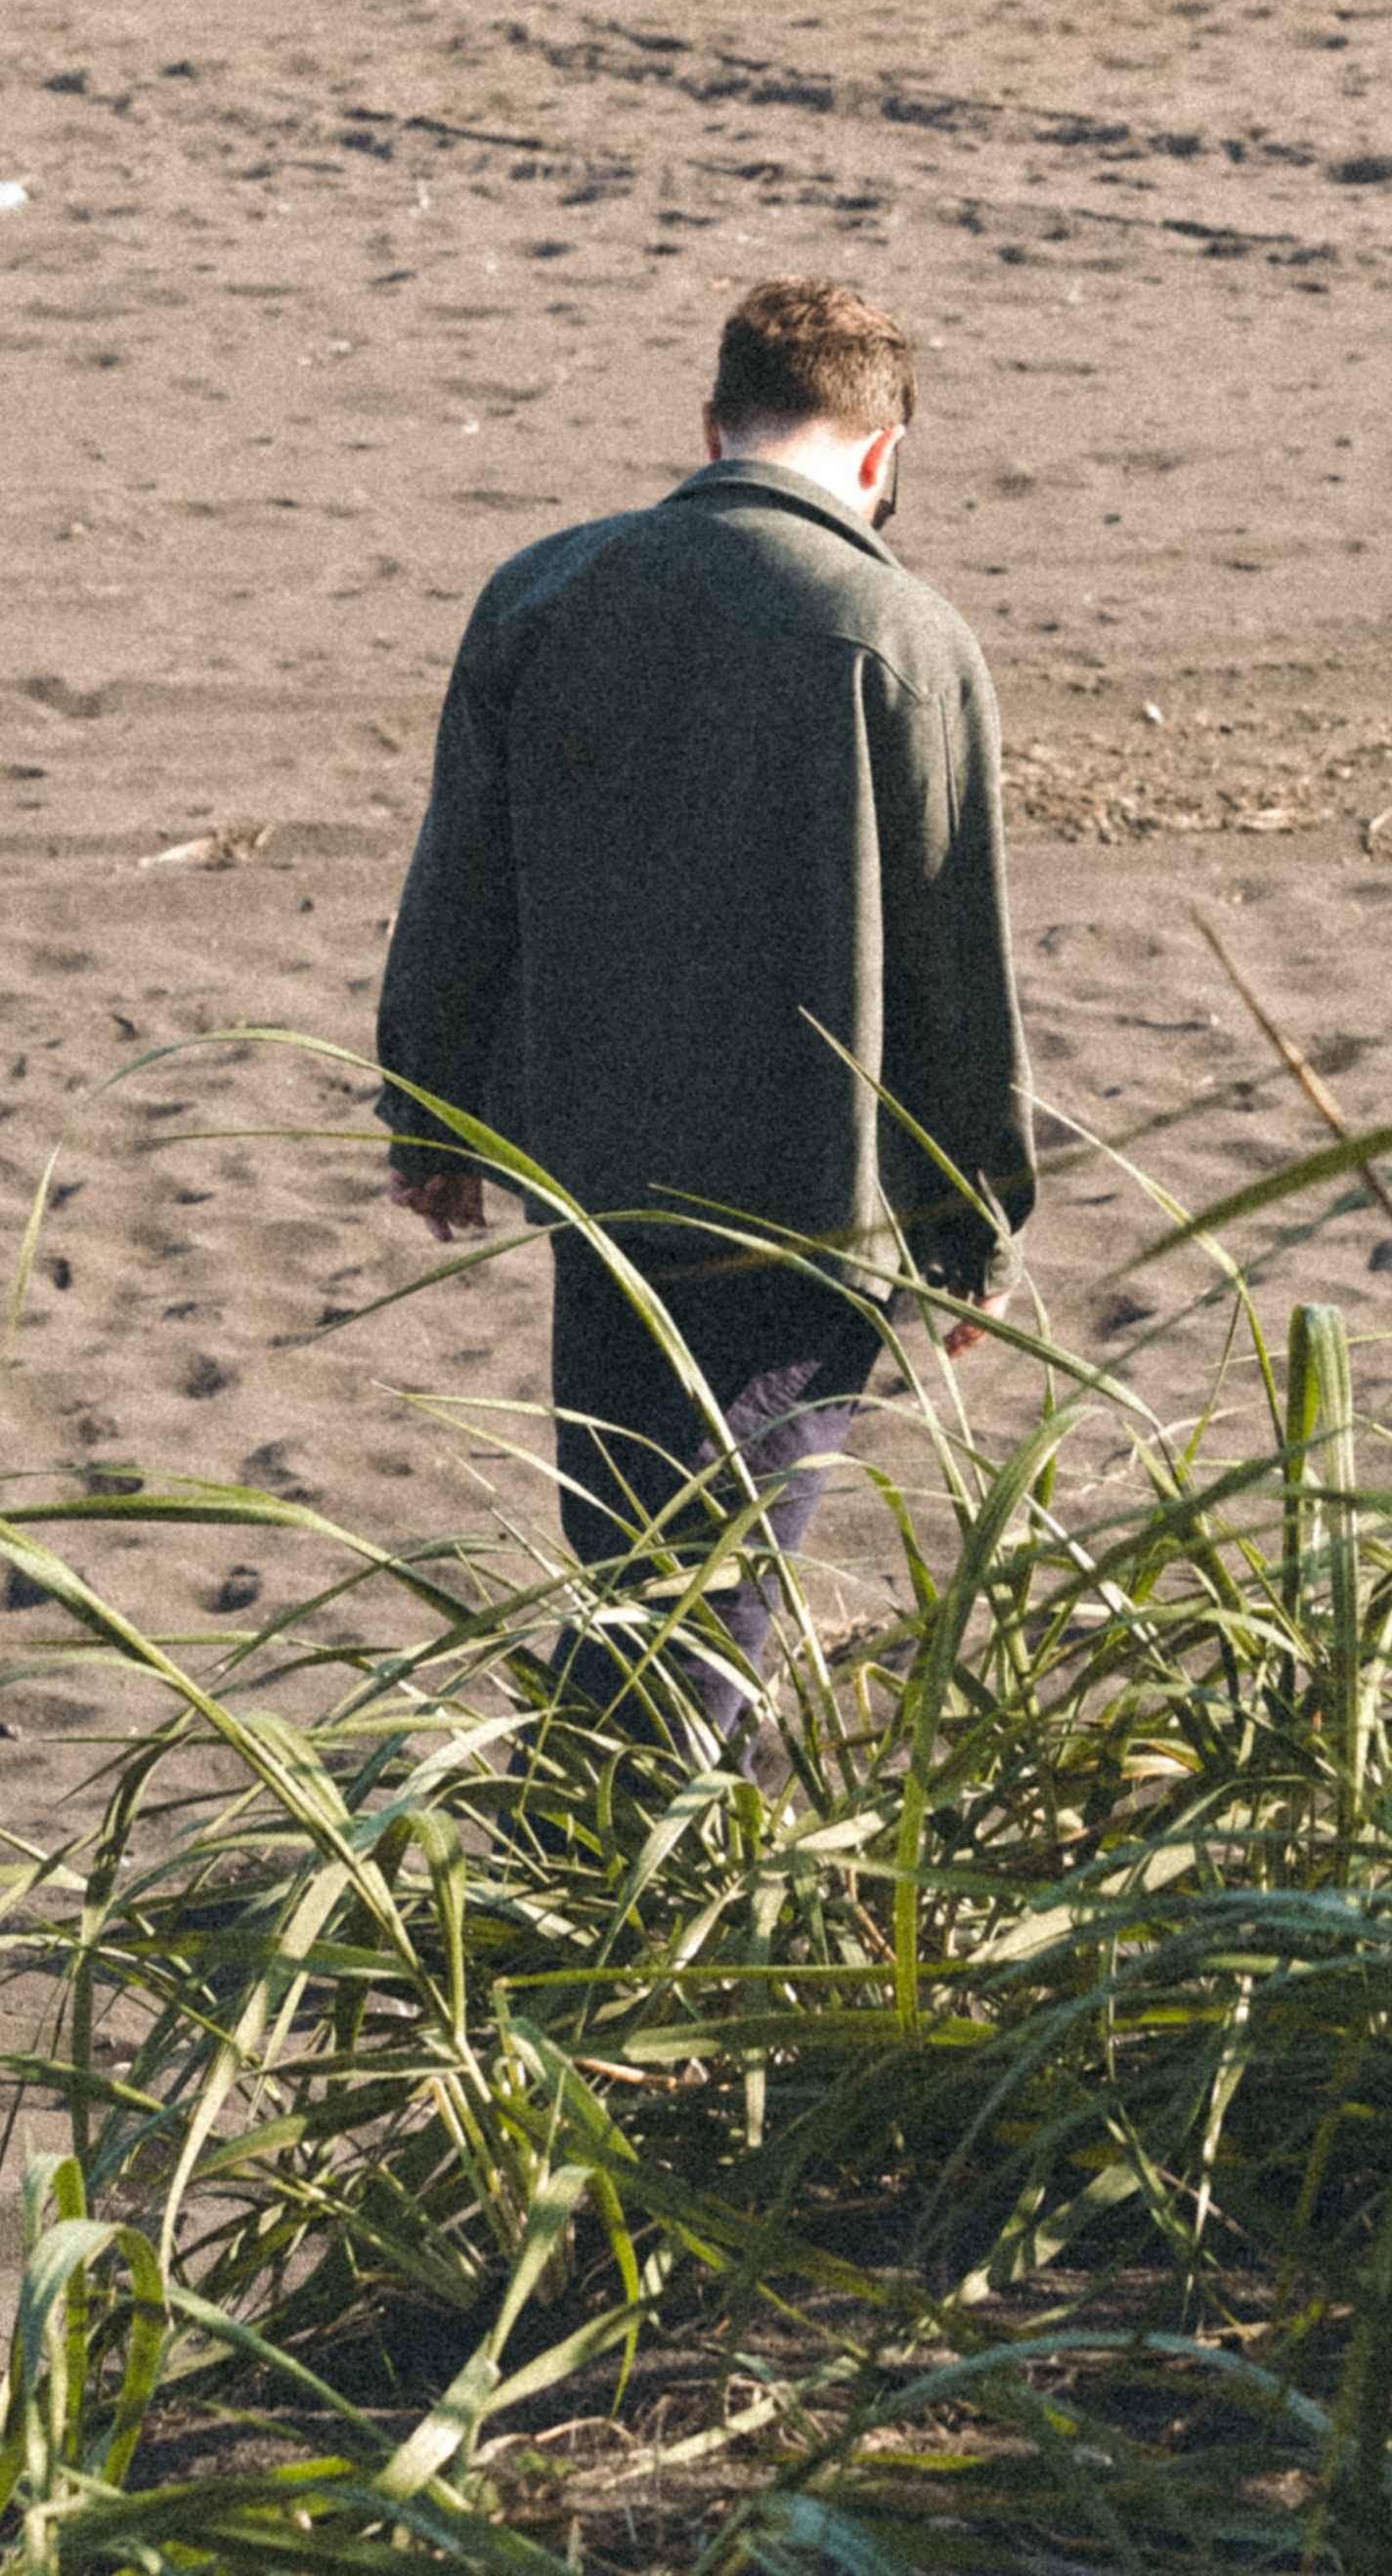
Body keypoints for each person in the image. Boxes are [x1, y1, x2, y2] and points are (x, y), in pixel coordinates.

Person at [375, 275, 1036, 1747]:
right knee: (715, 1577)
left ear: (713, 424)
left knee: (633, 1549)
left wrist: (429, 1117)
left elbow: (458, 885)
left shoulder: (545, 592)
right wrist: (972, 1222)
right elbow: (953, 960)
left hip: (593, 1171)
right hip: (807, 1195)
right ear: (881, 453)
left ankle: (615, 1839)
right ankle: (652, 1875)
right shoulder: (903, 633)